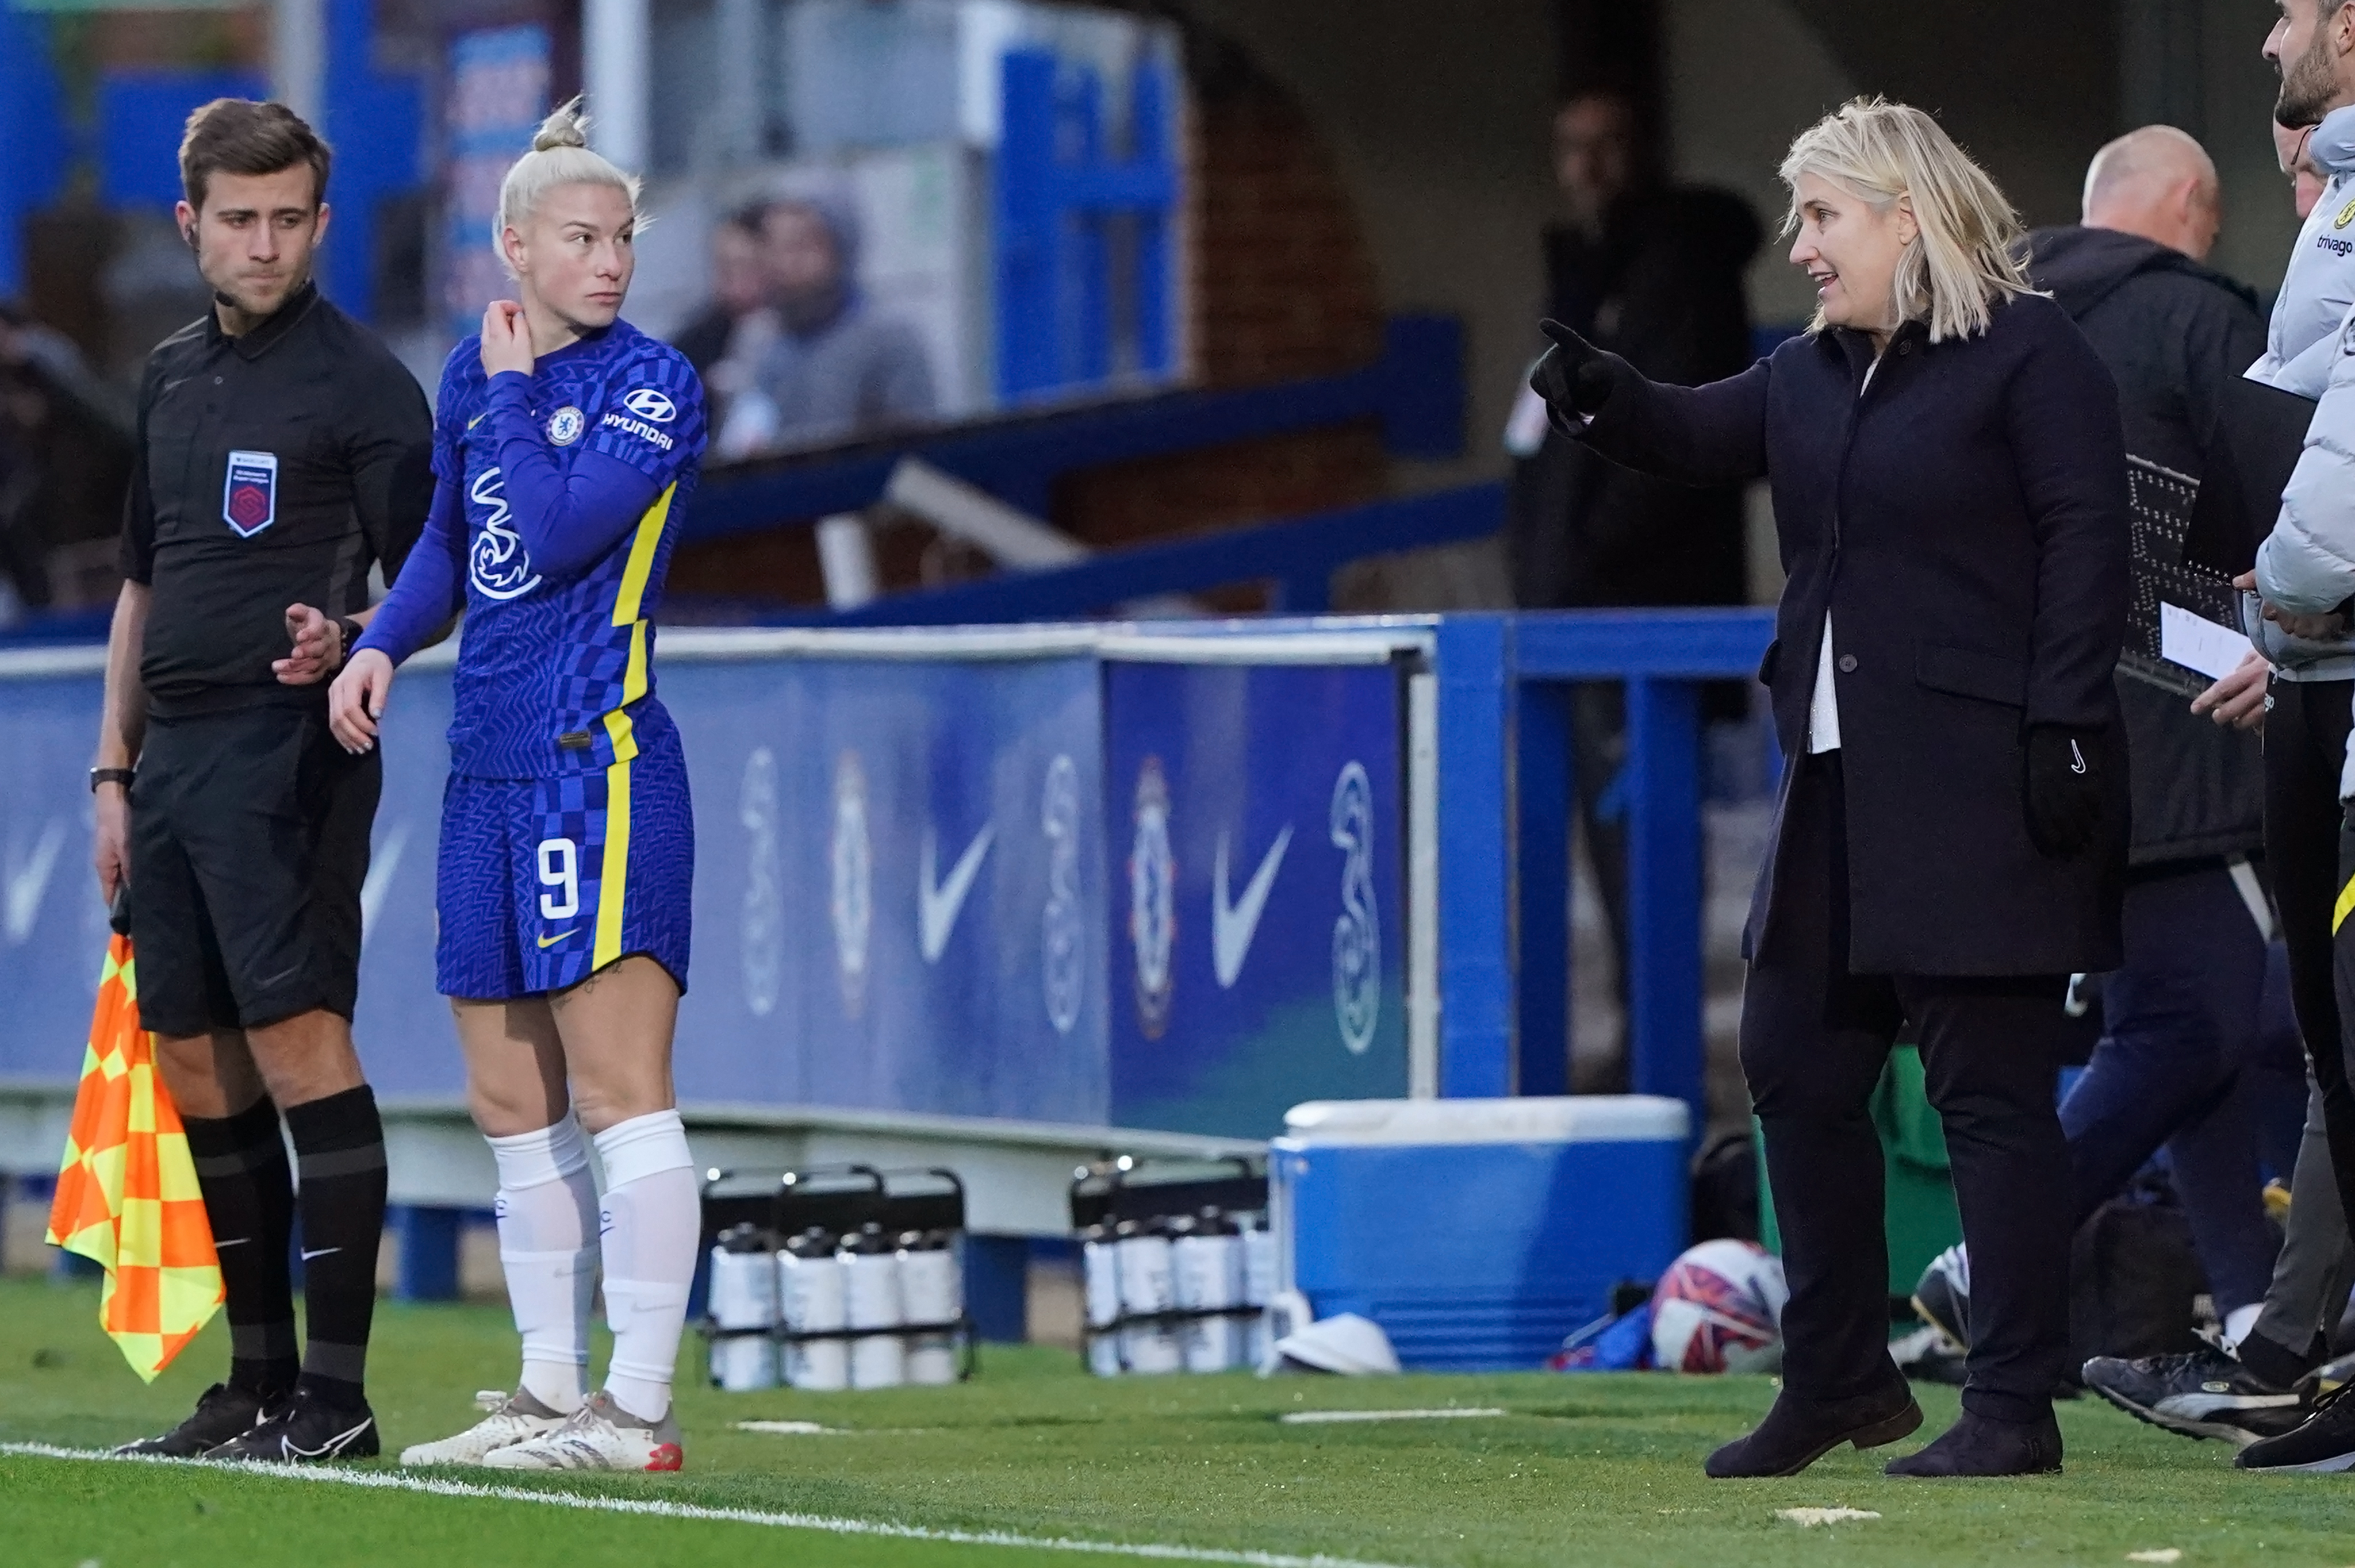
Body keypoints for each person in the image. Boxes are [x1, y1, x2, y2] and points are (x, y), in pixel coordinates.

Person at [1533, 97, 2130, 1479]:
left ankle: (2013, 1405)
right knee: (1796, 1064)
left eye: (1822, 217)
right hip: (1839, 788)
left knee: (1989, 1096)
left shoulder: (2029, 354)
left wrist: (2065, 728)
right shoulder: (1808, 372)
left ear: (1904, 214)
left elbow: (2087, 542)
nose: (1800, 245)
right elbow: (1694, 430)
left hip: (1990, 786)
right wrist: (1606, 397)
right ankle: (1841, 1380)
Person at [330, 99, 708, 1473]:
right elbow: (450, 542)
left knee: (622, 1091)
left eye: (621, 239)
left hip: (591, 761)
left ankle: (640, 1409)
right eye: (582, 238)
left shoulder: (654, 384)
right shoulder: (473, 376)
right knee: (507, 1098)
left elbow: (551, 536)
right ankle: (551, 1392)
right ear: (515, 247)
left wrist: (501, 401)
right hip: (484, 766)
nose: (609, 262)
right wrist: (377, 642)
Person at [94, 99, 432, 1463]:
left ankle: (337, 1401)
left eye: (289, 219)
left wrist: (351, 637)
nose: (265, 243)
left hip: (290, 748)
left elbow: (434, 576)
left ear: (321, 222)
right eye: (239, 220)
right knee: (191, 1051)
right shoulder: (168, 375)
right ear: (191, 225)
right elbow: (140, 583)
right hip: (169, 762)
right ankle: (252, 1384)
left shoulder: (364, 385)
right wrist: (112, 767)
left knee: (298, 1043)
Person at [1506, 89, 1760, 1069]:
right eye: (1574, 148)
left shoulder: (1678, 267)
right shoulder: (1580, 271)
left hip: (1640, 606)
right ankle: (1640, 1030)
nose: (1591, 168)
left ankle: (1662, 1048)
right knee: (1604, 842)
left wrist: (1587, 556)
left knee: (1646, 836)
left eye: (1610, 145)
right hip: (1577, 608)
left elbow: (1676, 441)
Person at [741, 182, 935, 453]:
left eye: (801, 247)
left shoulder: (888, 342)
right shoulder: (759, 343)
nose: (784, 265)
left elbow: (915, 458)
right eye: (774, 248)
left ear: (841, 252)